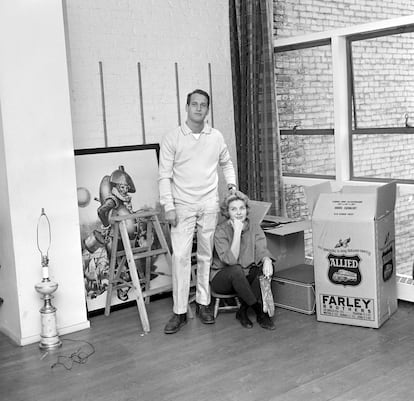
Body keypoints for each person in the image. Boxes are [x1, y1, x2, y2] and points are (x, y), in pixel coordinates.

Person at [158, 88, 237, 334]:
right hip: (182, 205)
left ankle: (204, 304)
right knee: (180, 257)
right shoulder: (172, 138)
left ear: (207, 109)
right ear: (187, 107)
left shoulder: (216, 137)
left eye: (203, 105)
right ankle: (180, 311)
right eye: (195, 104)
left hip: (209, 203)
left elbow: (226, 162)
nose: (199, 108)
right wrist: (168, 206)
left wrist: (232, 186)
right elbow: (164, 175)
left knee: (205, 255)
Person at [210, 191, 276, 330]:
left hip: (245, 275)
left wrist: (267, 260)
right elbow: (231, 261)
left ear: (246, 210)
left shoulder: (254, 226)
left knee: (266, 268)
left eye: (242, 208)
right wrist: (237, 232)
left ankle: (243, 311)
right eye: (233, 209)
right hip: (223, 277)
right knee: (236, 270)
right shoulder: (221, 231)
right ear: (227, 212)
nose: (239, 213)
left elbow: (261, 249)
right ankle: (259, 311)